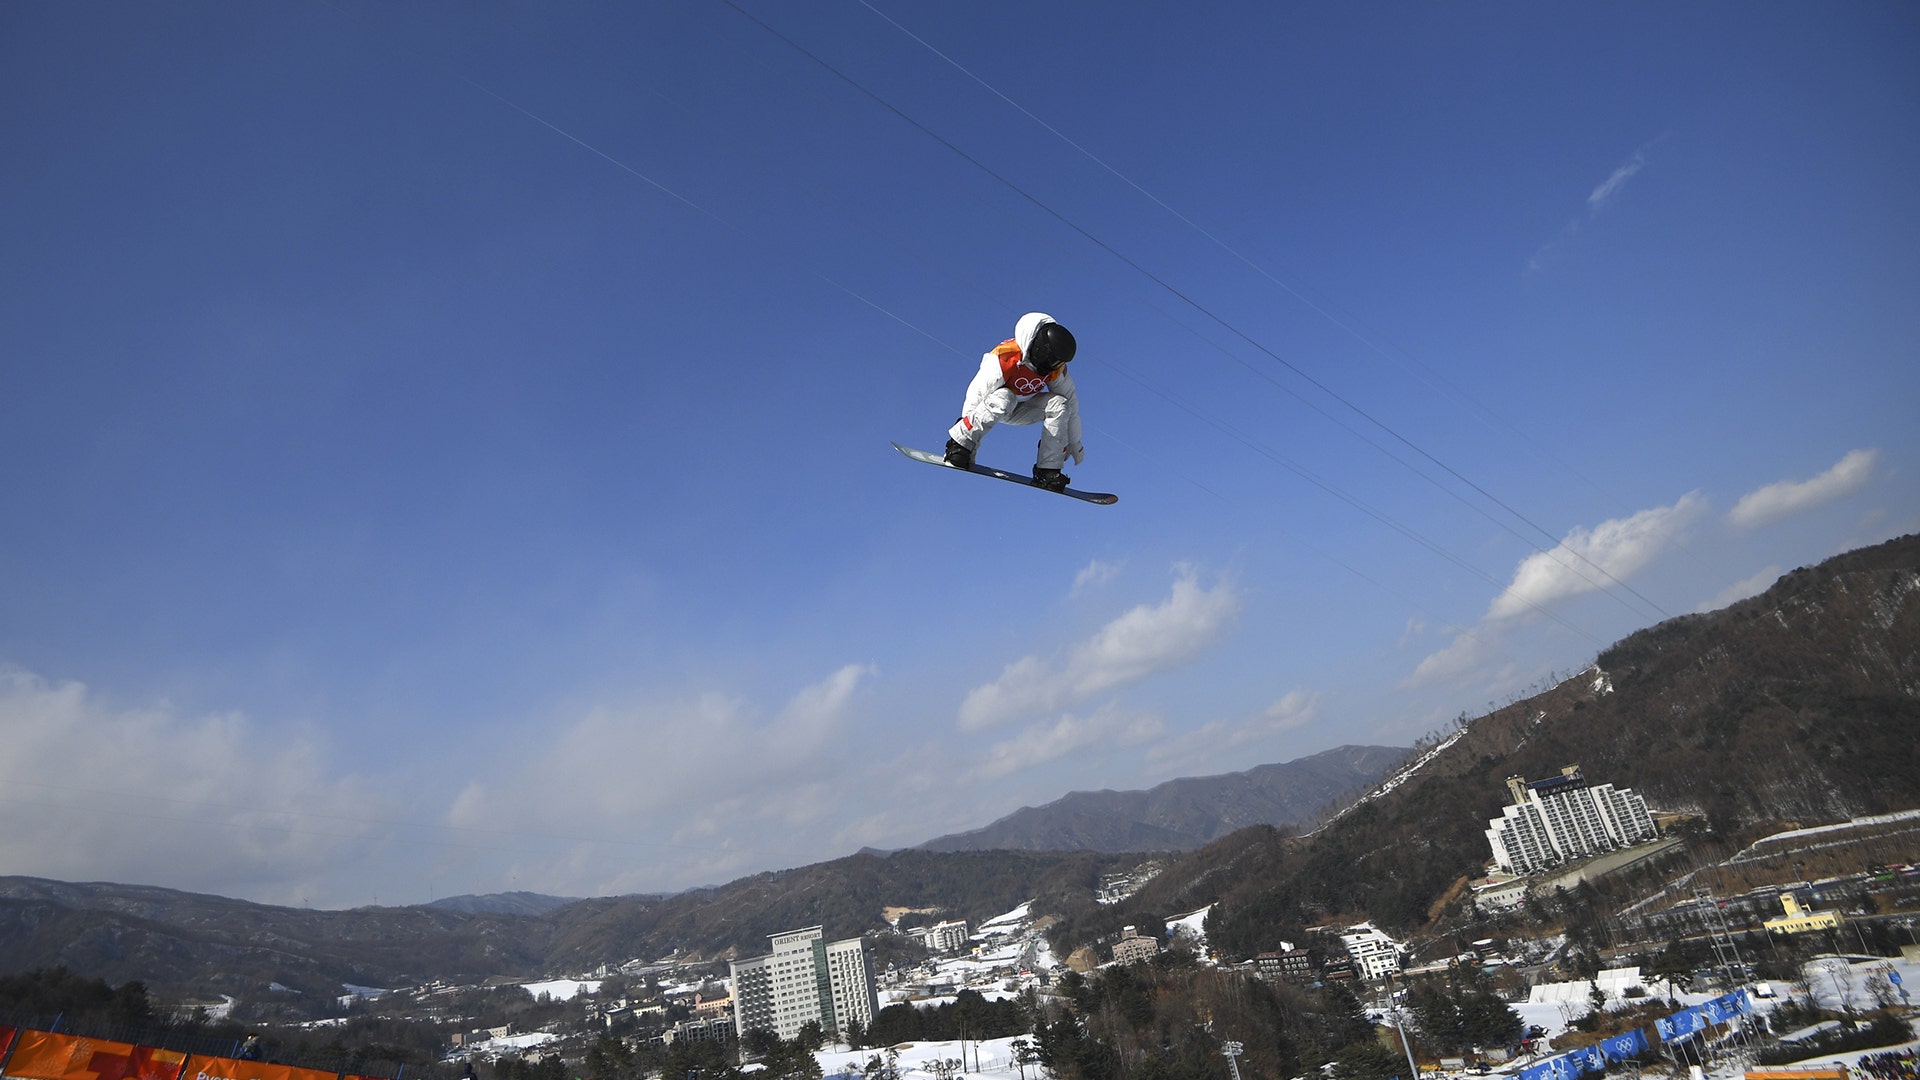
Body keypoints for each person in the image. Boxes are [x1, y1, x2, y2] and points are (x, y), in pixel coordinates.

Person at [943, 311, 1084, 492]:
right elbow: (976, 394)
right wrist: (966, 445)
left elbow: (1071, 400)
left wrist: (1073, 441)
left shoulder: (1055, 369)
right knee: (1005, 397)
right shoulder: (1005, 357)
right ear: (1040, 348)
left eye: (1058, 362)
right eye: (1052, 360)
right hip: (994, 404)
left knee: (1059, 403)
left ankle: (1048, 470)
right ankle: (959, 445)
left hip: (1025, 409)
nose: (1052, 366)